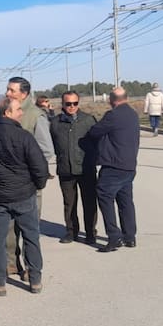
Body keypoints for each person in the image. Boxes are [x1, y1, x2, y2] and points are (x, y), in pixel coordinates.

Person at [0, 97, 49, 295]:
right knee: (31, 236)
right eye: (18, 109)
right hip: (23, 194)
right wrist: (37, 186)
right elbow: (40, 166)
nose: (21, 112)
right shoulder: (24, 136)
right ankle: (35, 280)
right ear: (6, 113)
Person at [3, 77, 55, 279]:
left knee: (28, 227)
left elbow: (46, 150)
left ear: (23, 94)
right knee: (8, 228)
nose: (7, 93)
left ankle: (30, 267)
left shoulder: (35, 116)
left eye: (11, 90)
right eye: (7, 89)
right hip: (8, 182)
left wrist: (30, 169)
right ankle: (10, 263)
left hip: (28, 182)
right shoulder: (6, 112)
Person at [87, 87, 141, 252]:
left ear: (111, 99)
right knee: (125, 202)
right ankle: (130, 237)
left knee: (105, 199)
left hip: (113, 166)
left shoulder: (113, 115)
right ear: (126, 97)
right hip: (129, 166)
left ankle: (114, 236)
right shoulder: (133, 114)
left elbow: (95, 132)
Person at [51, 91, 99, 245]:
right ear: (62, 104)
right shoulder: (55, 123)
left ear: (78, 103)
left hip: (86, 169)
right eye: (68, 104)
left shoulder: (88, 120)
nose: (72, 107)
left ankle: (91, 232)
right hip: (65, 169)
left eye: (75, 103)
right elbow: (51, 144)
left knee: (90, 202)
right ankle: (71, 231)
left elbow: (98, 142)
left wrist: (94, 159)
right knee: (69, 203)